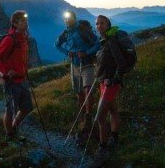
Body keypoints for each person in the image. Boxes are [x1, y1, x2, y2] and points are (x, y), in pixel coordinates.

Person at [55, 10, 100, 146]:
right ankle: (82, 113)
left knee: (87, 89)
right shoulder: (66, 32)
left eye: (70, 18)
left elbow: (97, 43)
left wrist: (86, 52)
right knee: (79, 92)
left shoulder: (83, 30)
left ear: (75, 18)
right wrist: (67, 52)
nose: (68, 21)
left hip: (87, 64)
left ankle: (88, 116)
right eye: (66, 19)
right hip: (74, 66)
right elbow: (57, 44)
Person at [92, 15, 130, 161]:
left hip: (110, 83)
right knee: (113, 110)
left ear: (108, 24)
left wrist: (113, 79)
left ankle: (103, 148)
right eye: (97, 24)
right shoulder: (104, 39)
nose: (99, 26)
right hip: (104, 81)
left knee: (100, 117)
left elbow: (121, 63)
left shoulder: (111, 40)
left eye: (102, 23)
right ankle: (115, 138)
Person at [0, 10, 32, 139]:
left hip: (22, 79)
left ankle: (14, 128)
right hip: (11, 81)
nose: (25, 22)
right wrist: (5, 71)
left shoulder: (24, 38)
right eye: (22, 21)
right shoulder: (10, 39)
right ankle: (10, 135)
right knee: (10, 110)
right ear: (14, 23)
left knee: (27, 108)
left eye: (26, 20)